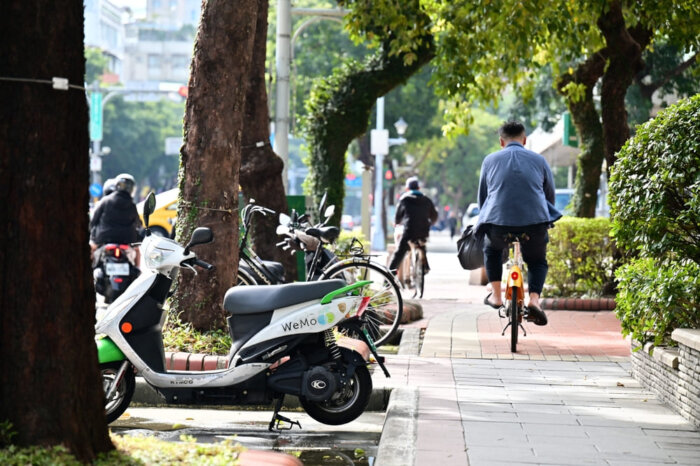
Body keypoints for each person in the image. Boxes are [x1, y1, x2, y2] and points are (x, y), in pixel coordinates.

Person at [476, 121, 561, 326]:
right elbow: (549, 196)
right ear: (524, 140)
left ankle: (496, 295)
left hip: (498, 223)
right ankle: (534, 300)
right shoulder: (539, 160)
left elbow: (483, 197)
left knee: (492, 251)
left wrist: (485, 220)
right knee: (537, 260)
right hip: (534, 223)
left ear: (501, 142)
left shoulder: (490, 160)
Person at [90, 173, 142, 266]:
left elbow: (94, 220)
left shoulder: (105, 201)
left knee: (92, 249)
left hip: (104, 238)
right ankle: (138, 272)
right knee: (137, 252)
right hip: (127, 239)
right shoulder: (131, 205)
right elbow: (138, 223)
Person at [388, 177, 438, 273]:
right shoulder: (427, 199)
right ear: (419, 188)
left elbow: (398, 217)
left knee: (399, 253)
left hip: (409, 231)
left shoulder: (404, 199)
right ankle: (425, 266)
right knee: (422, 244)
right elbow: (434, 216)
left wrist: (397, 223)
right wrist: (430, 223)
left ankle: (388, 278)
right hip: (424, 231)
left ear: (407, 189)